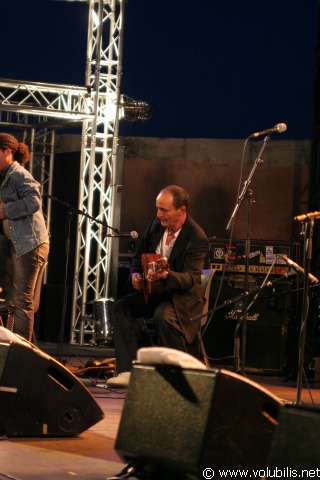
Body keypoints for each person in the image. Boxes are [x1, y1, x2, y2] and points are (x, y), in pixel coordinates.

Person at [107, 185, 209, 387]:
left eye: (164, 210)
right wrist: (136, 274)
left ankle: (180, 375)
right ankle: (127, 372)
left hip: (182, 298)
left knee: (163, 316)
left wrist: (166, 275)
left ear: (181, 210)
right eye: (158, 208)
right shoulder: (156, 224)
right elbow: (139, 256)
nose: (158, 214)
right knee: (121, 308)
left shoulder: (196, 237)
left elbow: (190, 279)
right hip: (154, 292)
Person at [0, 132, 50, 341]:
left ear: (8, 152)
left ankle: (22, 355)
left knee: (23, 301)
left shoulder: (18, 174)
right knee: (16, 300)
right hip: (16, 244)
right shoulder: (5, 176)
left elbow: (34, 202)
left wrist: (5, 211)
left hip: (30, 244)